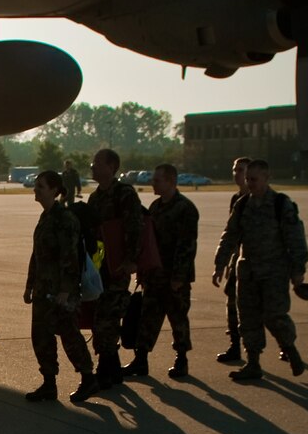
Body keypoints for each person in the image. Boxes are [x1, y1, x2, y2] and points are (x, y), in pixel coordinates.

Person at [212, 159, 308, 381]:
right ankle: (253, 363)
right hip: (247, 271)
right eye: (248, 179)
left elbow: (296, 239)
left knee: (275, 316)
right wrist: (220, 263)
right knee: (248, 318)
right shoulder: (243, 204)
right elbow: (230, 235)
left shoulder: (281, 204)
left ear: (267, 178)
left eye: (254, 179)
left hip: (274, 272)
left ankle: (289, 347)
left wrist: (298, 269)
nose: (250, 183)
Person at [24, 170, 97, 404]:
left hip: (61, 291)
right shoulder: (45, 217)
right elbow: (37, 256)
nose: (36, 190)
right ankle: (48, 384)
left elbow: (70, 257)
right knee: (41, 337)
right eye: (36, 186)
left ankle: (88, 378)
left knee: (69, 335)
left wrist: (65, 291)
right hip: (43, 290)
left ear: (55, 190)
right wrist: (29, 285)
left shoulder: (65, 219)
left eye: (40, 186)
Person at [123, 163, 198, 381]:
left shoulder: (185, 209)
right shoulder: (155, 208)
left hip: (174, 277)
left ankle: (181, 359)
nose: (152, 183)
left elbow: (187, 246)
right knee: (148, 318)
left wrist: (179, 277)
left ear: (171, 182)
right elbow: (148, 243)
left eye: (157, 180)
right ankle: (141, 360)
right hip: (155, 275)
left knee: (178, 320)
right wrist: (143, 270)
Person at [77, 146, 144, 388]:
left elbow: (135, 227)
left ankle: (107, 371)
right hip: (100, 267)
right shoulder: (95, 198)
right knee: (101, 318)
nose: (92, 166)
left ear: (111, 167)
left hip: (118, 268)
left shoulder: (124, 194)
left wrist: (131, 260)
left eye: (97, 163)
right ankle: (111, 370)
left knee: (107, 318)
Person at [216, 157, 250, 364]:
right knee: (231, 303)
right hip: (238, 260)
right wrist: (224, 262)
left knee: (267, 309)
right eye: (234, 170)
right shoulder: (236, 199)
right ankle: (235, 346)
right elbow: (230, 234)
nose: (236, 174)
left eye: (241, 170)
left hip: (262, 263)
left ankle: (285, 344)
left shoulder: (269, 200)